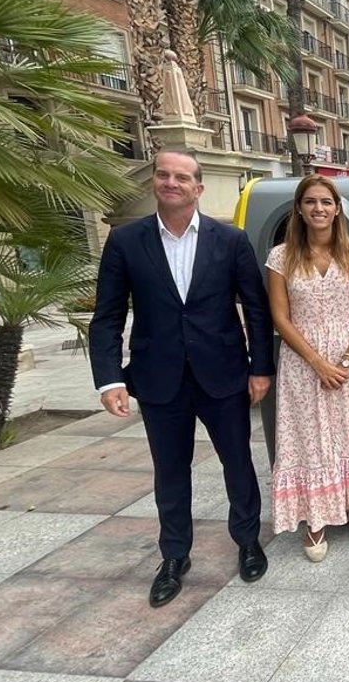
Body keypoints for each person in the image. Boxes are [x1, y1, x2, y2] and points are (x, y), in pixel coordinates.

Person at [89, 147, 273, 607]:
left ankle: (248, 540)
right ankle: (174, 555)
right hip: (158, 378)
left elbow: (256, 307)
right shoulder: (126, 241)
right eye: (164, 175)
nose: (172, 183)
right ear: (154, 181)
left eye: (182, 177)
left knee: (237, 462)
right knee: (170, 471)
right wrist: (109, 379)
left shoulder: (229, 240)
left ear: (198, 188)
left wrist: (260, 367)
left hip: (223, 373)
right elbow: (107, 316)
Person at [265, 175, 349, 561]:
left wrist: (347, 360)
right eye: (310, 201)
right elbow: (280, 317)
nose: (318, 208)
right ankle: (316, 517)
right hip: (302, 363)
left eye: (325, 202)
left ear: (337, 209)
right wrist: (317, 363)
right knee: (309, 438)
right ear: (299, 208)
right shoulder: (280, 258)